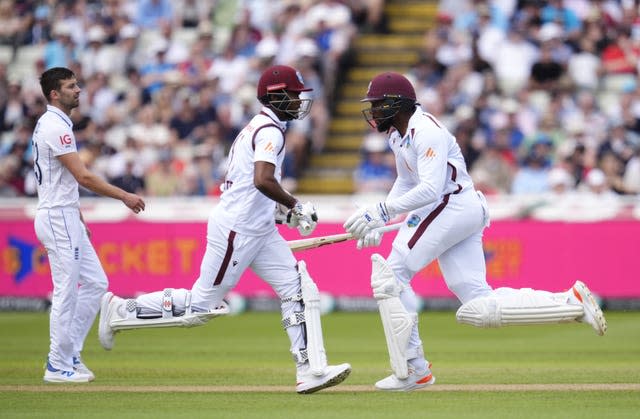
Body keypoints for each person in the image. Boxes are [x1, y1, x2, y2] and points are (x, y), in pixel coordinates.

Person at [343, 72, 608, 392]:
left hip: (451, 205)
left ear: (398, 104)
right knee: (478, 305)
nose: (373, 112)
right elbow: (407, 183)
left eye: (378, 104)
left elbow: (429, 189)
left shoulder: (425, 130)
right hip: (456, 208)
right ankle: (571, 303)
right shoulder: (398, 134)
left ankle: (413, 368)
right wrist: (382, 218)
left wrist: (382, 212)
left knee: (391, 275)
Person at [98, 65, 351, 394]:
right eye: (292, 94)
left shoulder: (262, 128)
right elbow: (262, 180)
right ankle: (119, 310)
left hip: (257, 229)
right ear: (275, 96)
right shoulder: (269, 131)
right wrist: (294, 206)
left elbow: (248, 187)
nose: (298, 101)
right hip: (237, 231)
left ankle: (309, 369)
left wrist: (281, 215)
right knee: (200, 307)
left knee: (298, 288)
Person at [33, 67, 146, 383]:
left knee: (96, 283)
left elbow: (63, 178)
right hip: (57, 217)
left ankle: (69, 353)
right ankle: (57, 363)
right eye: (71, 86)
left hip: (65, 214)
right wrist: (123, 195)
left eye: (78, 84)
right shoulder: (55, 126)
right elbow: (82, 176)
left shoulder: (57, 123)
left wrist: (78, 215)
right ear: (55, 93)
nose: (78, 90)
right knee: (65, 291)